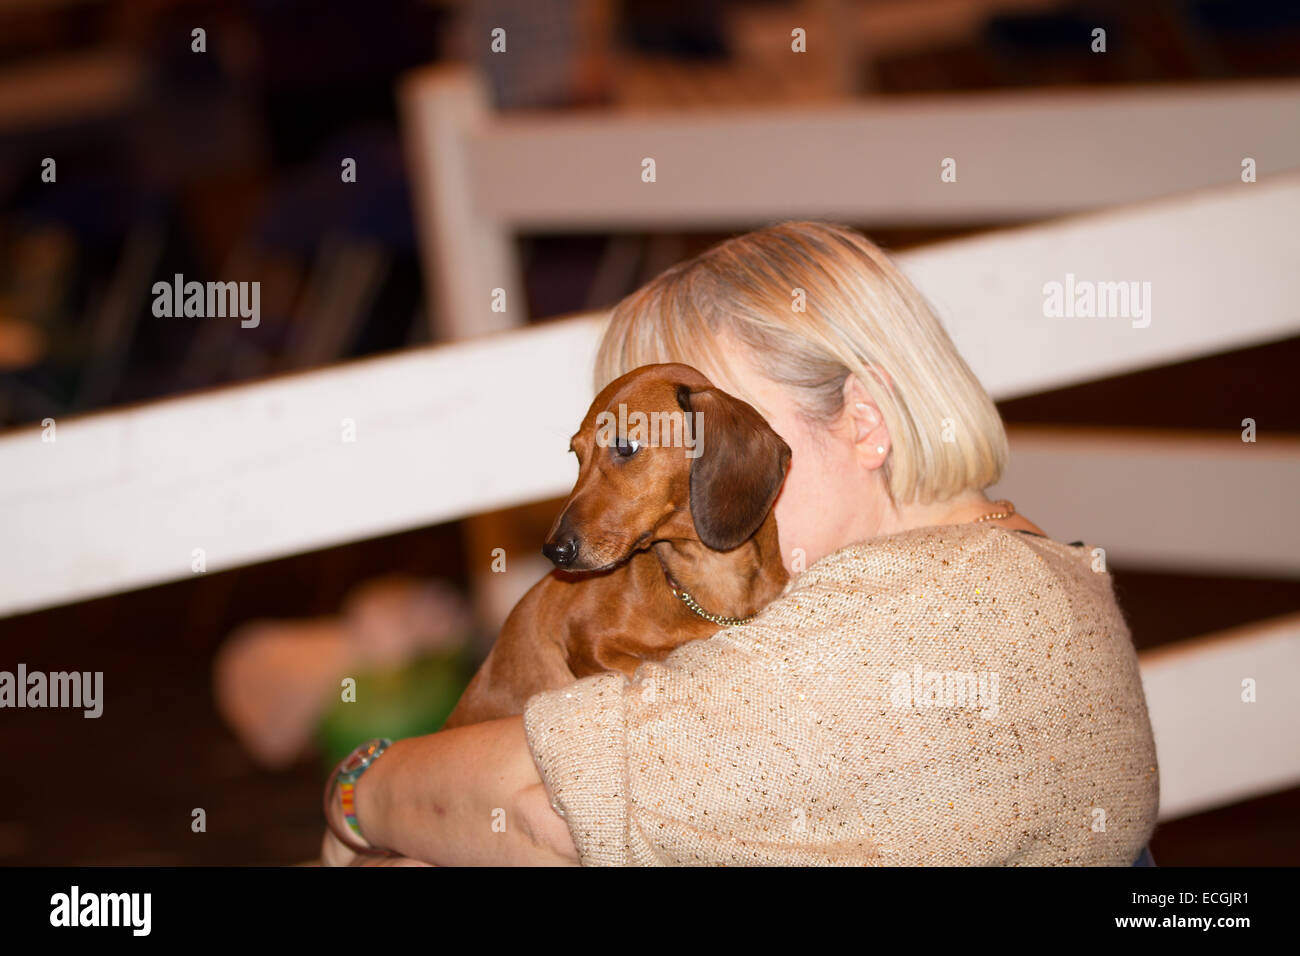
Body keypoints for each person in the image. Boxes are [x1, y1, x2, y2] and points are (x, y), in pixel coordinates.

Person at [320, 221, 1160, 866]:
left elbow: (547, 809)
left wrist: (360, 790)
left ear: (863, 421)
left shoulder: (896, 633)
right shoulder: (1033, 571)